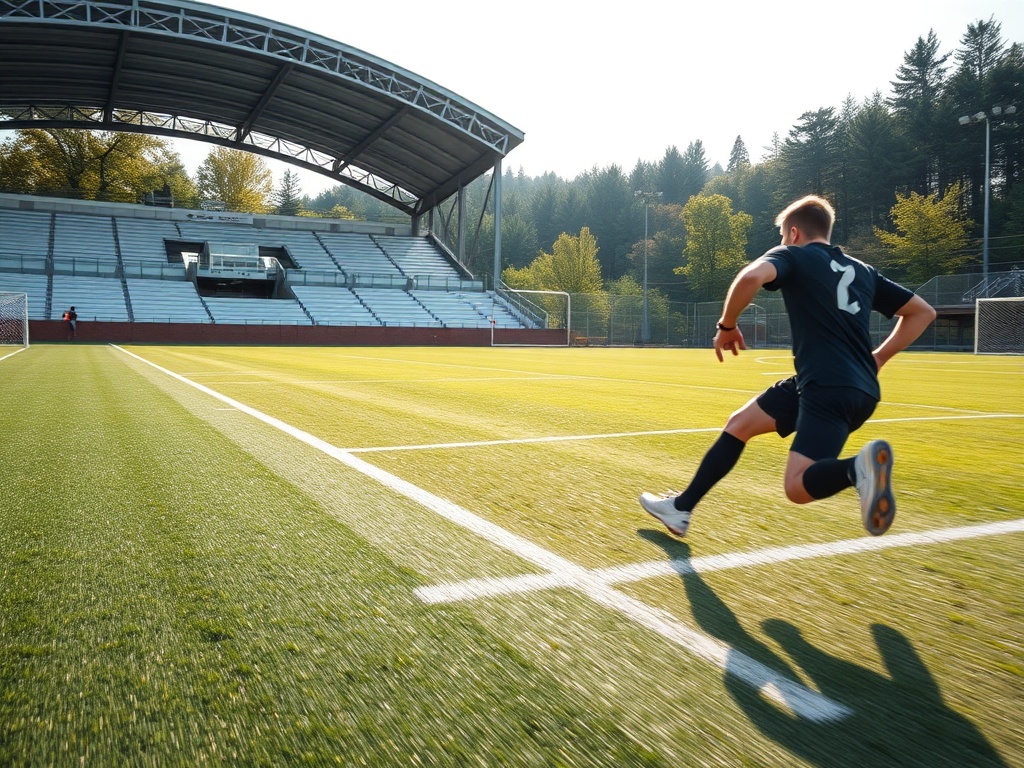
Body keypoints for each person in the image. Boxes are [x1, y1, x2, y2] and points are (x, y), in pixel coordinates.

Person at [640, 195, 936, 538]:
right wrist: (880, 357)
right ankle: (680, 508)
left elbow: (751, 277)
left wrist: (727, 326)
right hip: (857, 389)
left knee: (796, 487)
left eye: (782, 235)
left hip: (826, 387)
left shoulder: (793, 255)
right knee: (740, 423)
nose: (781, 241)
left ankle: (858, 469)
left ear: (793, 233)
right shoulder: (864, 271)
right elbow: (923, 312)